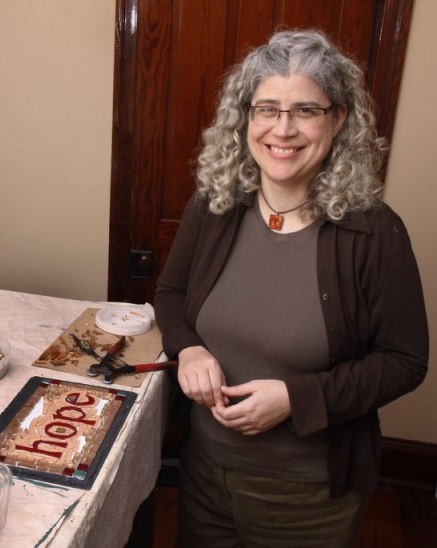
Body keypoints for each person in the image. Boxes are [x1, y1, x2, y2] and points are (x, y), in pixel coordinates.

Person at [154, 29, 428, 547]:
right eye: (268, 109)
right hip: (204, 472)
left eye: (306, 110)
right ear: (246, 118)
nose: (284, 129)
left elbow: (405, 360)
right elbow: (170, 295)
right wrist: (188, 349)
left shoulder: (374, 233)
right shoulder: (213, 206)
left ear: (338, 119)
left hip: (308, 497)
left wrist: (295, 399)